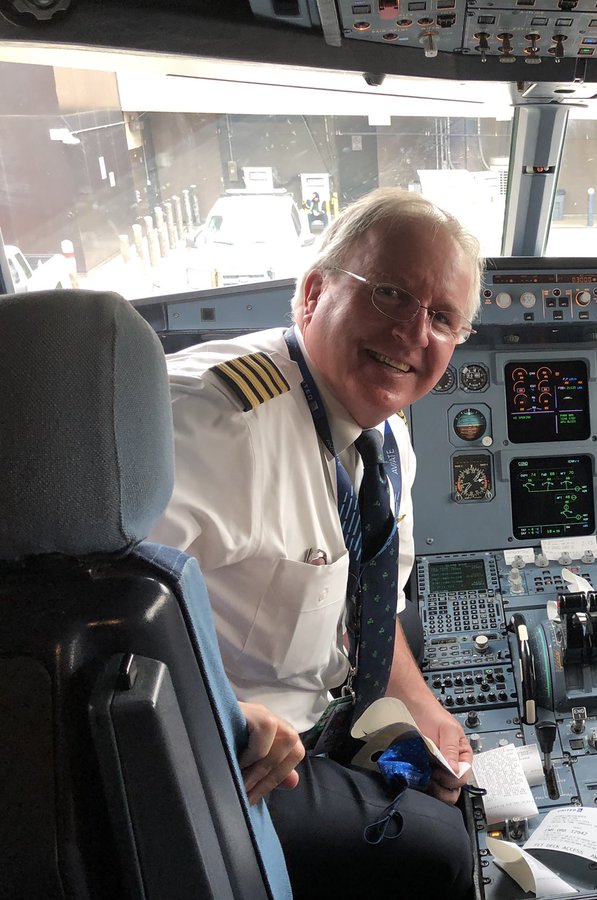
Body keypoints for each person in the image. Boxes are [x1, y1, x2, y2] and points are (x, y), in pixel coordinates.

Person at [149, 187, 482, 899]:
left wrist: (419, 705)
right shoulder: (209, 425)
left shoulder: (385, 431)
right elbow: (93, 621)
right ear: (312, 292)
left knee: (421, 642)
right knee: (442, 851)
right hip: (243, 755)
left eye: (443, 318)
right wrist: (226, 716)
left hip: (318, 689)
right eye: (390, 293)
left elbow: (370, 600)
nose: (413, 334)